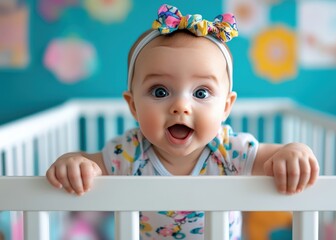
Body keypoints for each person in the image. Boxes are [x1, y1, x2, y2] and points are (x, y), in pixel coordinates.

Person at [46, 4, 319, 240]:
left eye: (201, 93)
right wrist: (74, 161)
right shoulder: (128, 153)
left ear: (225, 107)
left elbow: (274, 156)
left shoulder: (229, 150)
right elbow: (89, 165)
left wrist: (293, 152)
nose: (180, 106)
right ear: (133, 106)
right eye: (160, 91)